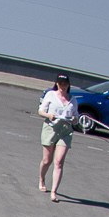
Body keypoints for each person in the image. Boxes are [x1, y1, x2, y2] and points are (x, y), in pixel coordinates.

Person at [37, 74, 77, 202]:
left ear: (68, 84)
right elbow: (40, 111)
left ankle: (54, 192)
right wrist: (49, 115)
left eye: (65, 84)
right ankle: (42, 179)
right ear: (57, 84)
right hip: (51, 128)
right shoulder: (51, 95)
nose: (62, 86)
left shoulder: (73, 100)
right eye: (60, 83)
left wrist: (75, 119)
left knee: (58, 162)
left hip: (65, 131)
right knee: (46, 160)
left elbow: (76, 119)